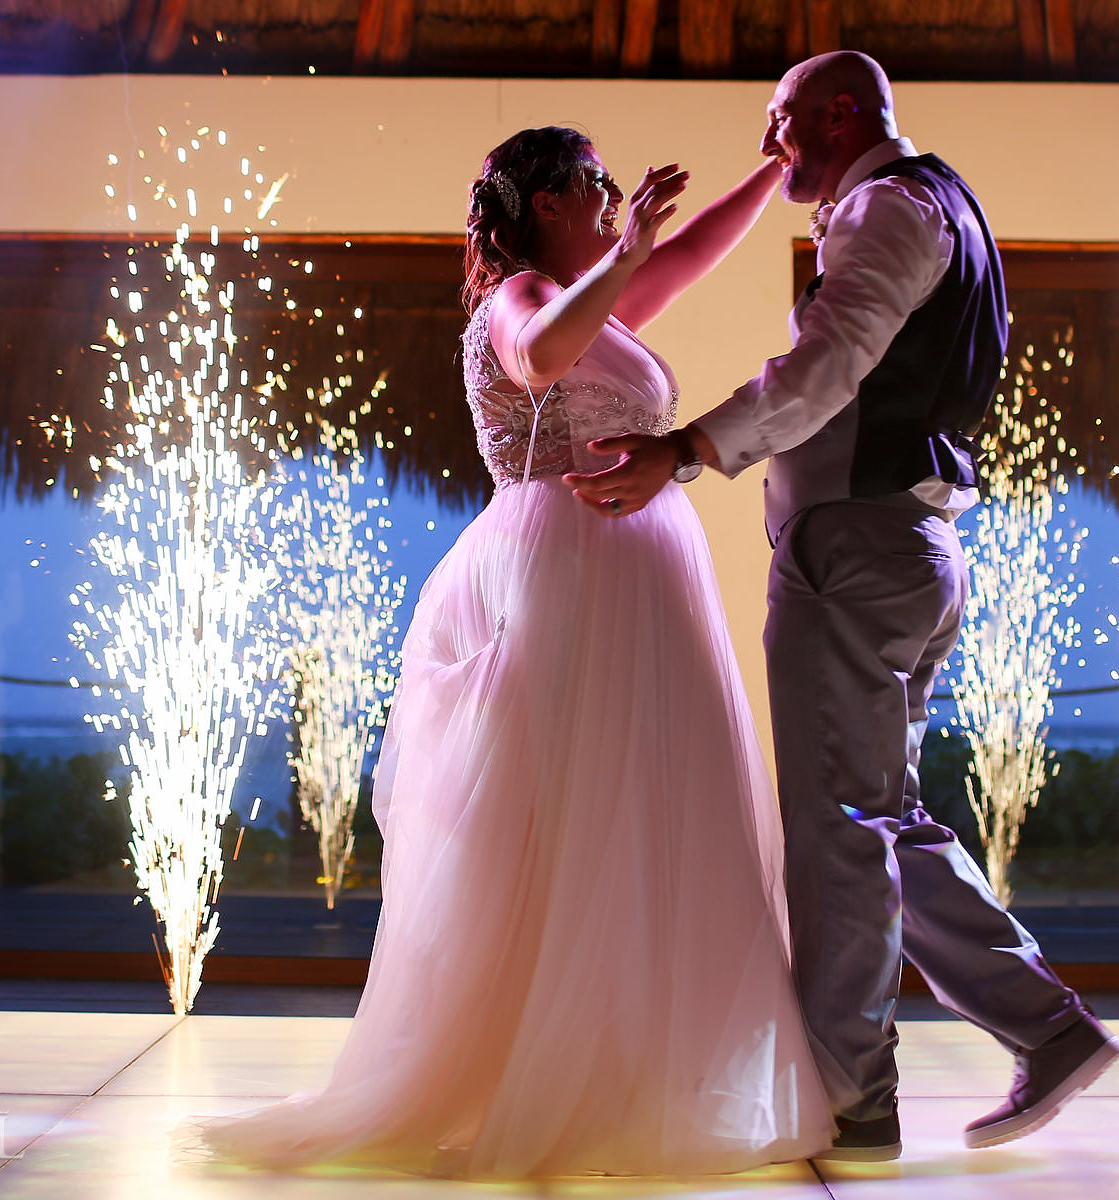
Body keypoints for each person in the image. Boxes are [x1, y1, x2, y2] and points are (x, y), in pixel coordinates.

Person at [178, 127, 833, 1178]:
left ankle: (625, 1062)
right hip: (563, 568)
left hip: (642, 571)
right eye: (597, 188)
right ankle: (534, 1070)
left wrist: (774, 170)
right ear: (542, 202)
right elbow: (537, 359)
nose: (615, 204)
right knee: (562, 811)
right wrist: (624, 258)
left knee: (643, 811)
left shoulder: (598, 295)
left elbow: (694, 253)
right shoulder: (518, 300)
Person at [567, 52, 1119, 1161]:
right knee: (883, 816)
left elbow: (826, 367)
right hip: (913, 548)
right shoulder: (950, 207)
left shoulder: (885, 205)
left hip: (856, 548)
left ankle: (851, 1099)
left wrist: (685, 448)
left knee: (838, 833)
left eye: (780, 122)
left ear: (838, 110)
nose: (773, 145)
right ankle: (1047, 1030)